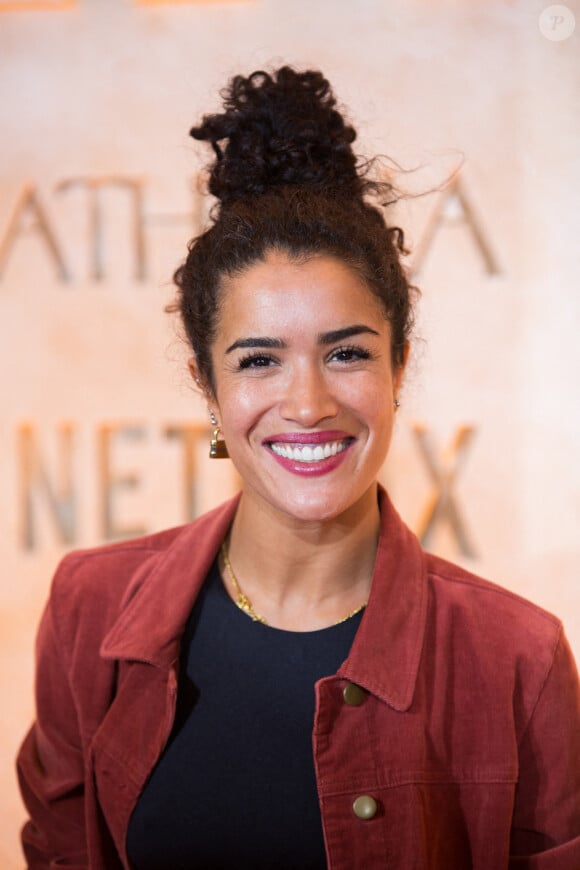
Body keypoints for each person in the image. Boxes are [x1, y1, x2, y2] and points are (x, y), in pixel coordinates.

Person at [17, 66, 580, 869]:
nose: (308, 403)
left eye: (347, 353)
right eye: (259, 361)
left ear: (398, 368)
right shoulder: (90, 612)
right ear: (205, 383)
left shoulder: (516, 656)